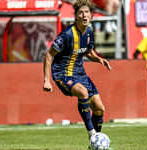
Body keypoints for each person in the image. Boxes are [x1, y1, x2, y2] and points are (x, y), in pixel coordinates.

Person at [43, 0, 112, 148]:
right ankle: (92, 134)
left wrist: (99, 59)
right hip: (62, 73)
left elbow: (88, 52)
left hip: (80, 74)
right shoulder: (67, 34)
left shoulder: (89, 32)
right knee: (82, 92)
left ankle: (93, 145)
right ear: (76, 16)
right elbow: (48, 56)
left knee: (100, 108)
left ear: (91, 15)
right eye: (81, 12)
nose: (84, 15)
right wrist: (46, 80)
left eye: (87, 12)